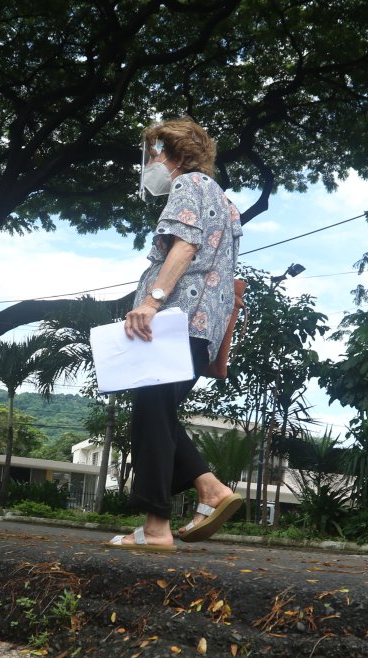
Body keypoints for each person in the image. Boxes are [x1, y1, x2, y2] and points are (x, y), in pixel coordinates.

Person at [105, 117, 244, 552]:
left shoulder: (189, 185)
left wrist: (152, 301)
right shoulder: (225, 202)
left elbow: (185, 246)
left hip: (177, 322)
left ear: (179, 157)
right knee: (156, 411)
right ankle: (210, 490)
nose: (152, 163)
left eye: (157, 154)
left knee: (151, 409)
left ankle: (157, 527)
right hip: (202, 329)